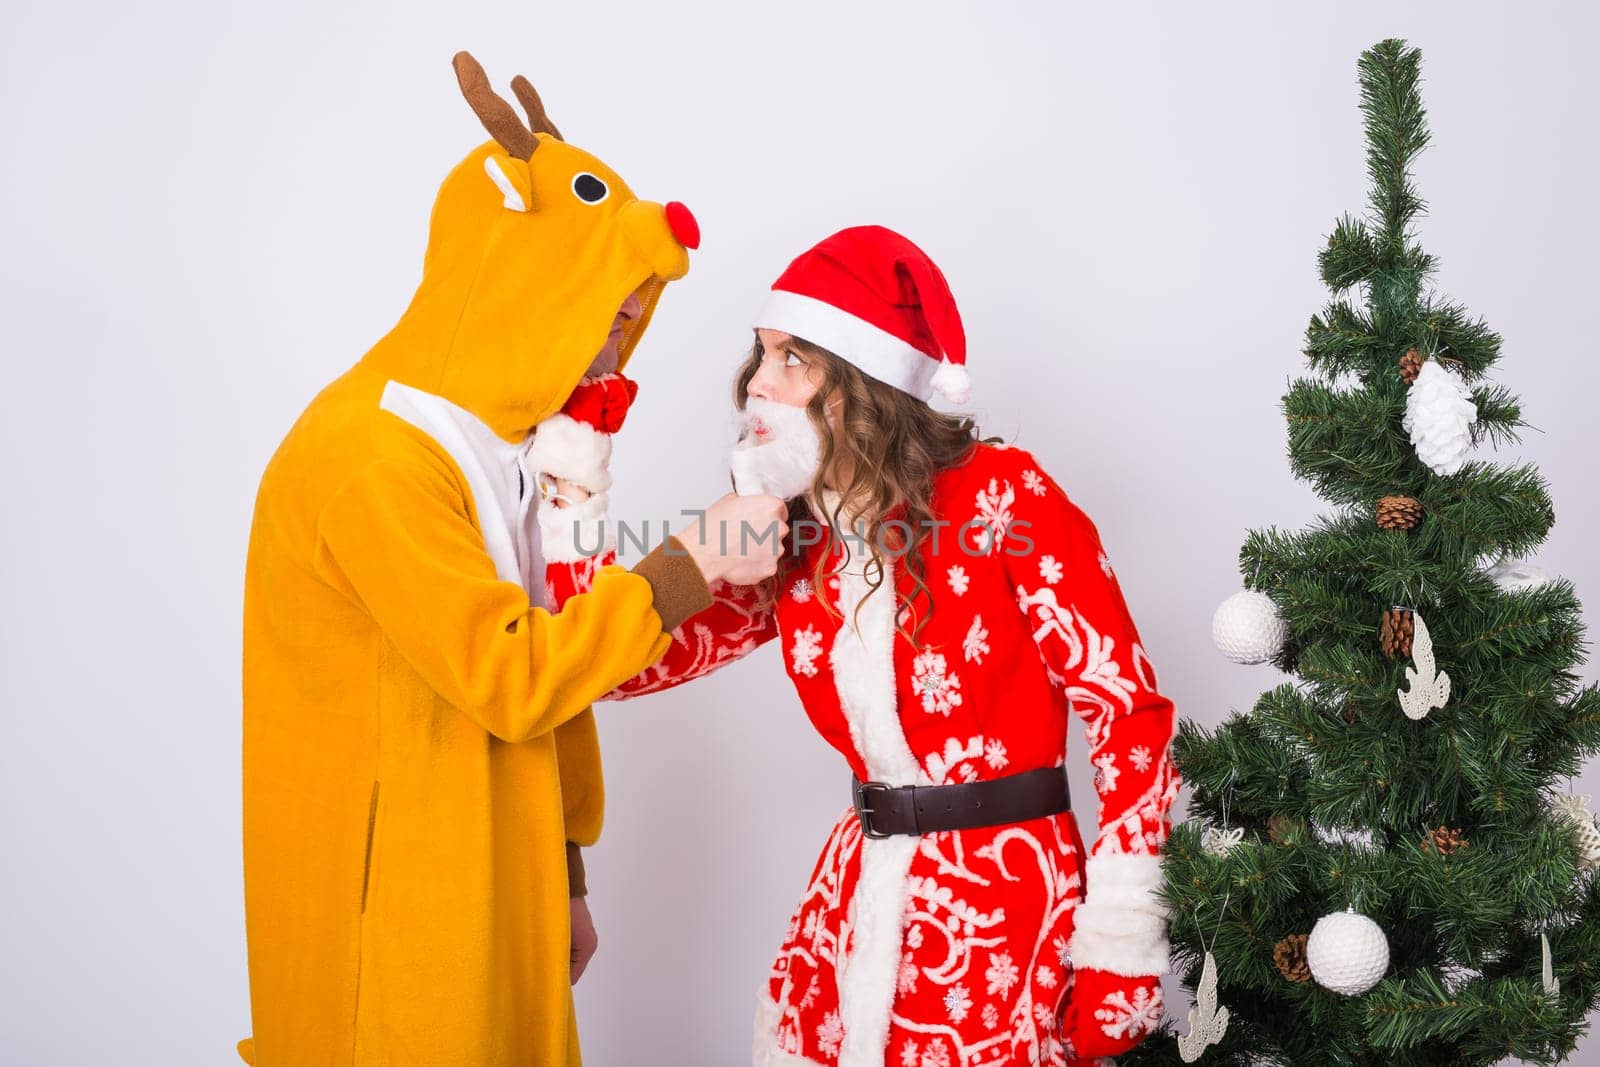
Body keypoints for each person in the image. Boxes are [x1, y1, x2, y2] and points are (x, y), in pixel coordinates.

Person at [238, 53, 784, 1066]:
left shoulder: (486, 450)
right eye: (599, 309)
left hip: (489, 885)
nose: (615, 346)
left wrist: (562, 870)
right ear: (522, 276)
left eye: (628, 318)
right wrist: (688, 564)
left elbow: (542, 656)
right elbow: (513, 674)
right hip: (398, 934)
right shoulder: (373, 460)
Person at [540, 225, 1180, 1066]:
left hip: (1008, 915)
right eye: (761, 356)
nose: (757, 385)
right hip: (854, 913)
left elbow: (1128, 713)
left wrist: (1122, 939)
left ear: (866, 383)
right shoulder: (792, 529)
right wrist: (576, 481)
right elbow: (616, 662)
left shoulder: (1005, 493)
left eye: (793, 359)